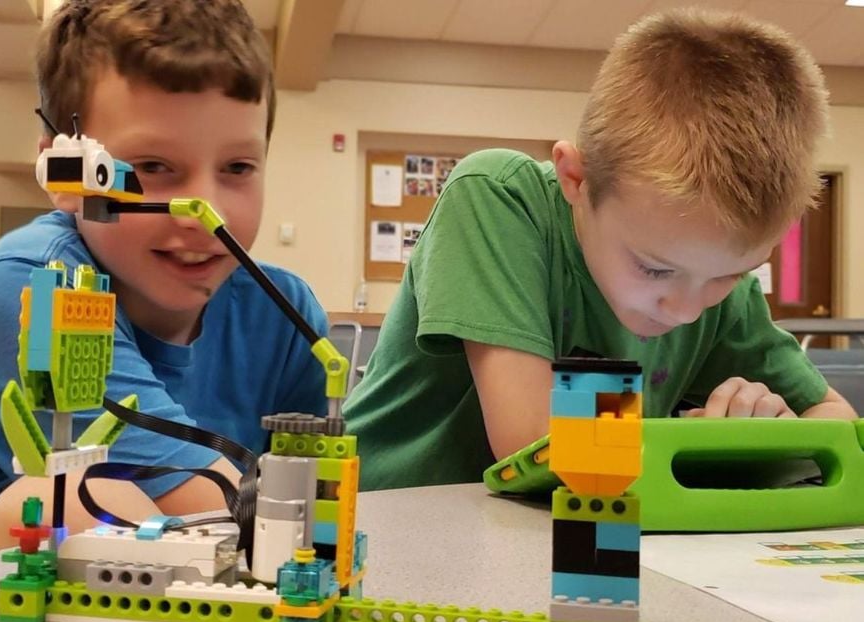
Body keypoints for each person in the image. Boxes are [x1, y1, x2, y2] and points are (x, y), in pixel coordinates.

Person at [344, 8, 857, 491]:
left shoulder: (718, 288)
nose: (684, 309)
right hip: (385, 530)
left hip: (553, 544)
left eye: (733, 273)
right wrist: (725, 450)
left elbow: (840, 428)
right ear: (577, 178)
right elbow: (536, 450)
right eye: (655, 269)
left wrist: (767, 432)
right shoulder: (498, 195)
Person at [0, 0, 328, 554]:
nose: (207, 211)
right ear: (65, 174)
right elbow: (227, 509)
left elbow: (313, 508)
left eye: (237, 168)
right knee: (85, 500)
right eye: (154, 168)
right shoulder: (33, 287)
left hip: (198, 584)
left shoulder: (283, 312)